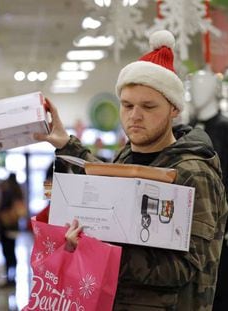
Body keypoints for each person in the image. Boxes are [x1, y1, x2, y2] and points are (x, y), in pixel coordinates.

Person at [34, 30, 228, 310]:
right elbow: (108, 179)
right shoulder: (128, 155)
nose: (135, 116)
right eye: (127, 105)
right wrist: (66, 144)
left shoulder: (193, 172)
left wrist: (98, 249)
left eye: (148, 106)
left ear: (173, 109)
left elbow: (183, 269)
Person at [189, 69, 228, 311]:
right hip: (192, 226)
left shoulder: (225, 130)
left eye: (202, 85)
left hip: (220, 229)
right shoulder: (188, 129)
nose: (196, 91)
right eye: (193, 86)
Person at [0, 173, 26, 286]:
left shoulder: (7, 192)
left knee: (7, 252)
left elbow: (2, 208)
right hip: (14, 226)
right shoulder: (18, 192)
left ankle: (10, 278)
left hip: (5, 226)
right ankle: (12, 276)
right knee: (12, 250)